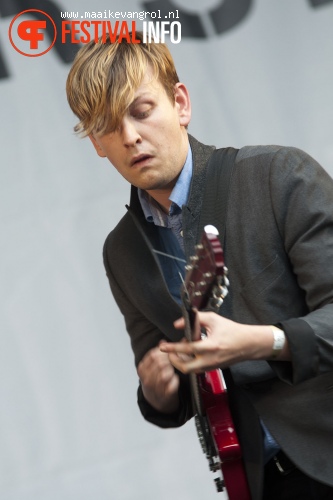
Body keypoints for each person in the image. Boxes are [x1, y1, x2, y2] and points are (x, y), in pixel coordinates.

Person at [66, 32, 333, 500]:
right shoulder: (122, 251)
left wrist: (265, 341)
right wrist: (157, 387)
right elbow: (171, 399)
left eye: (141, 111)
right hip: (255, 479)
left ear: (181, 104)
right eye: (108, 125)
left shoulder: (280, 175)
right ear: (96, 144)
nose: (130, 136)